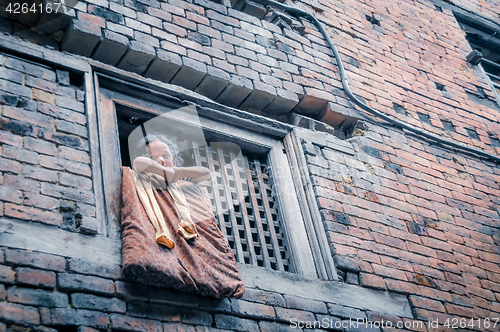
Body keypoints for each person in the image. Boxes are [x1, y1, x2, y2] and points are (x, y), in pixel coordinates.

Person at [132, 134, 211, 249]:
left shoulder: (176, 181)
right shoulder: (143, 176)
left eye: (166, 156)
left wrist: (178, 172)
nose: (161, 160)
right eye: (153, 157)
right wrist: (165, 172)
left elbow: (206, 173)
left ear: (174, 161)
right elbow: (139, 162)